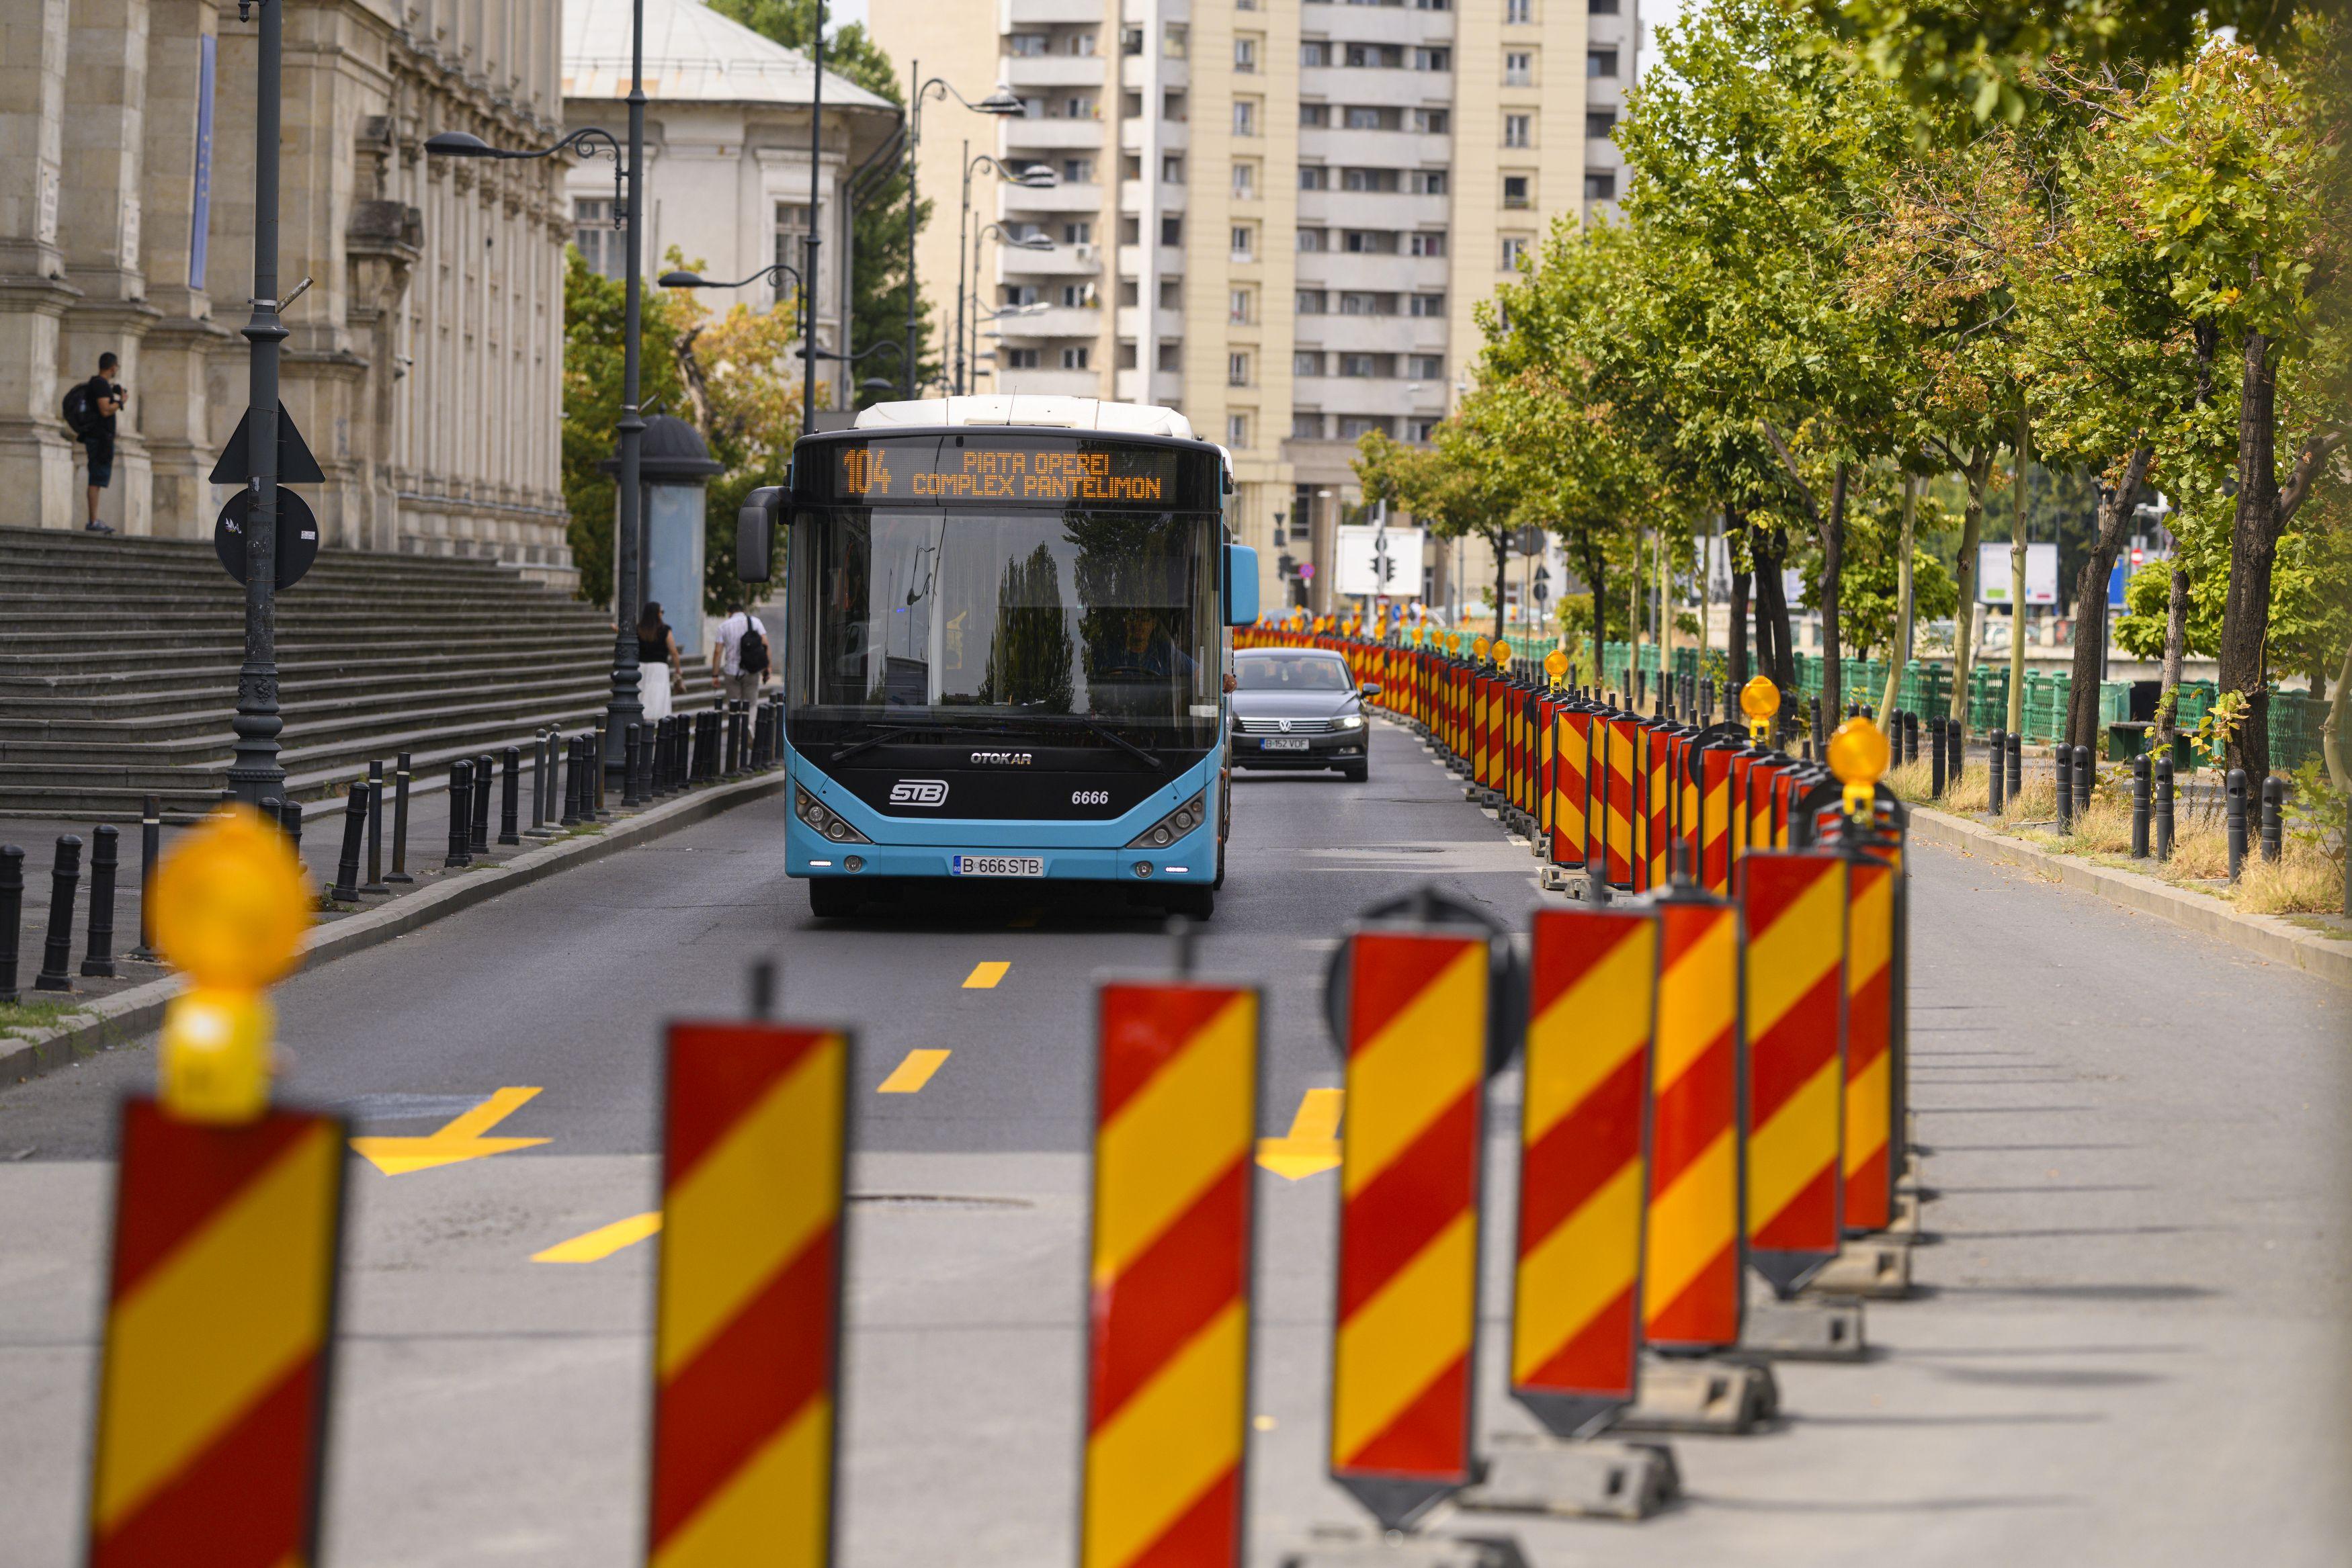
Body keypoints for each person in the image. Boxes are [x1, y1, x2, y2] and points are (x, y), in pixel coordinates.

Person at [71, 353, 125, 534]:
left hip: (100, 438)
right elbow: (105, 410)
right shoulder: (100, 384)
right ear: (112, 367)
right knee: (96, 478)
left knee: (98, 478)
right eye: (116, 366)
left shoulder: (100, 384)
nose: (116, 369)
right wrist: (121, 402)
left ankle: (94, 519)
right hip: (99, 439)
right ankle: (93, 520)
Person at [713, 605, 771, 703]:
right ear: (743, 611)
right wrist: (768, 668)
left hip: (731, 671)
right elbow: (765, 645)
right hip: (752, 670)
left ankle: (735, 718)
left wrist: (715, 675)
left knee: (734, 706)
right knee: (751, 704)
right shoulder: (755, 622)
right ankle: (750, 719)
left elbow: (718, 652)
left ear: (729, 613)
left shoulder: (723, 626)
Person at [636, 601, 681, 722]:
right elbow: (674, 652)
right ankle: (654, 723)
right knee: (657, 695)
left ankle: (642, 719)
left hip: (641, 667)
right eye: (661, 612)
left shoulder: (639, 629)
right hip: (659, 668)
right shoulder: (665, 629)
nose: (662, 614)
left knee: (642, 693)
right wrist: (678, 670)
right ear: (657, 614)